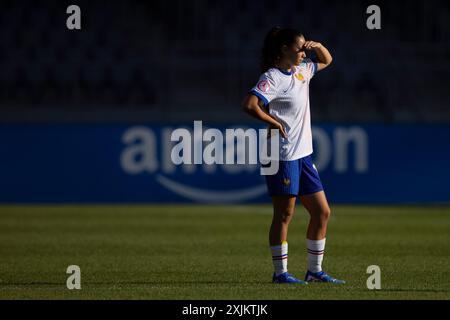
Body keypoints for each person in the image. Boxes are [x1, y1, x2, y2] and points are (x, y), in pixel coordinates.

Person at [241, 26, 345, 284]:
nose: (303, 52)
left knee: (322, 212)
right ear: (284, 49)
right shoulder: (272, 77)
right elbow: (250, 105)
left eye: (304, 47)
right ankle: (280, 274)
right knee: (285, 214)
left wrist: (316, 45)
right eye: (299, 48)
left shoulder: (302, 71)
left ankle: (314, 271)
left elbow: (327, 60)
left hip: (303, 155)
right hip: (281, 155)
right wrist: (273, 122)